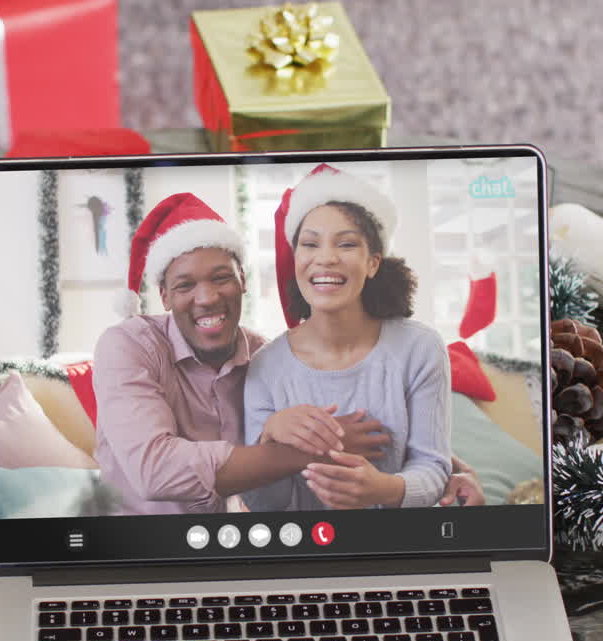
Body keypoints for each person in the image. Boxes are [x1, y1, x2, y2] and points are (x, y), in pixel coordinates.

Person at [92, 192, 392, 516]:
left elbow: (358, 420)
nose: (206, 298)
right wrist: (316, 450)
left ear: (243, 280)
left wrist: (447, 471)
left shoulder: (268, 356)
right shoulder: (128, 345)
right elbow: (155, 470)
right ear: (164, 295)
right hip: (135, 549)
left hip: (232, 545)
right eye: (184, 286)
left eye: (221, 278)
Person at [241, 163, 474, 511]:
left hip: (397, 550)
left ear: (373, 263)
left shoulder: (419, 349)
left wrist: (384, 489)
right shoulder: (265, 367)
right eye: (310, 244)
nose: (326, 258)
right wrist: (271, 437)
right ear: (296, 259)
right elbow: (263, 505)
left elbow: (433, 466)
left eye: (346, 244)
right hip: (305, 553)